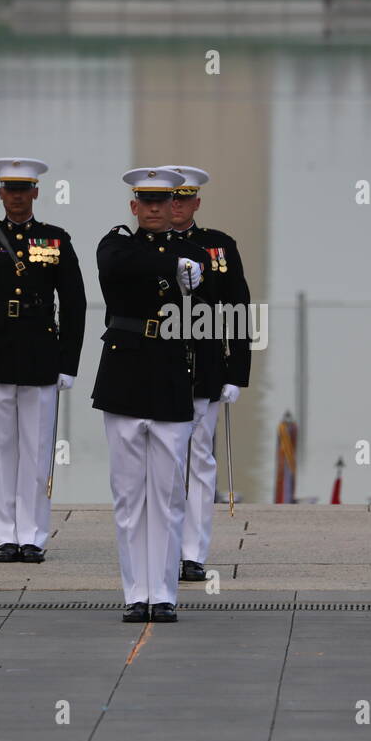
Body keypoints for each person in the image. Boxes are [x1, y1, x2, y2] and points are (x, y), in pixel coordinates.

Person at [92, 168, 207, 623]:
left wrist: (178, 265)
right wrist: (169, 267)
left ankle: (163, 593)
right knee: (128, 496)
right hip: (123, 376)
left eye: (164, 200)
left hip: (170, 377)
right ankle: (135, 591)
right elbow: (115, 267)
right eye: (147, 201)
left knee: (167, 495)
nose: (156, 208)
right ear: (134, 206)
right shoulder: (116, 243)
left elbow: (206, 302)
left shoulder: (195, 252)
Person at [0, 158, 86, 564]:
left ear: (35, 193)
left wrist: (69, 362)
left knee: (37, 449)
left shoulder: (56, 240)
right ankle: (5, 535)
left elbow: (75, 304)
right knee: (1, 450)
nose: (16, 196)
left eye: (23, 189)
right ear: (0, 193)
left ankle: (33, 535)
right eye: (9, 190)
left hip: (40, 353)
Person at [163, 165, 251, 582]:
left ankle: (192, 552)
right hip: (159, 365)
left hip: (206, 365)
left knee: (200, 460)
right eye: (171, 198)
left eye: (185, 199)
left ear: (197, 203)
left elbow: (238, 308)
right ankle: (163, 544)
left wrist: (237, 372)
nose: (177, 206)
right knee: (164, 462)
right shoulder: (146, 246)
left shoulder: (219, 247)